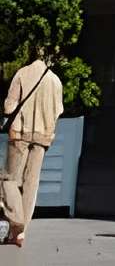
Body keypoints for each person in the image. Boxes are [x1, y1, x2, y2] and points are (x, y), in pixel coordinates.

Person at [0, 56, 63, 247]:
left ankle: (16, 221)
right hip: (42, 136)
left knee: (9, 179)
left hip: (20, 132)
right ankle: (20, 232)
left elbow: (9, 107)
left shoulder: (23, 73)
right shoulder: (55, 80)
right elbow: (58, 110)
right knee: (31, 183)